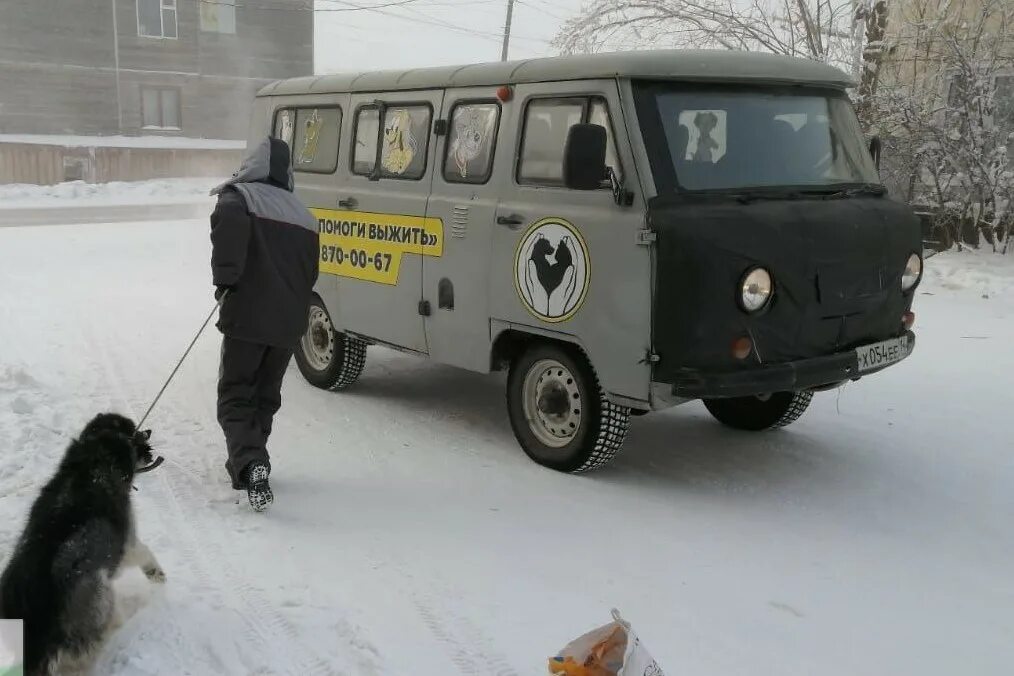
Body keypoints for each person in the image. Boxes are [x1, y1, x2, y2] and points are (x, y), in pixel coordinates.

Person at [209, 137, 319, 511]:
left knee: (236, 394)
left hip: (247, 319)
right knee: (265, 397)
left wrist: (226, 282)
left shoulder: (240, 198)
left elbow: (226, 228)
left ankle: (251, 462)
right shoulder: (304, 214)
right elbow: (311, 274)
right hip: (289, 325)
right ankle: (249, 462)